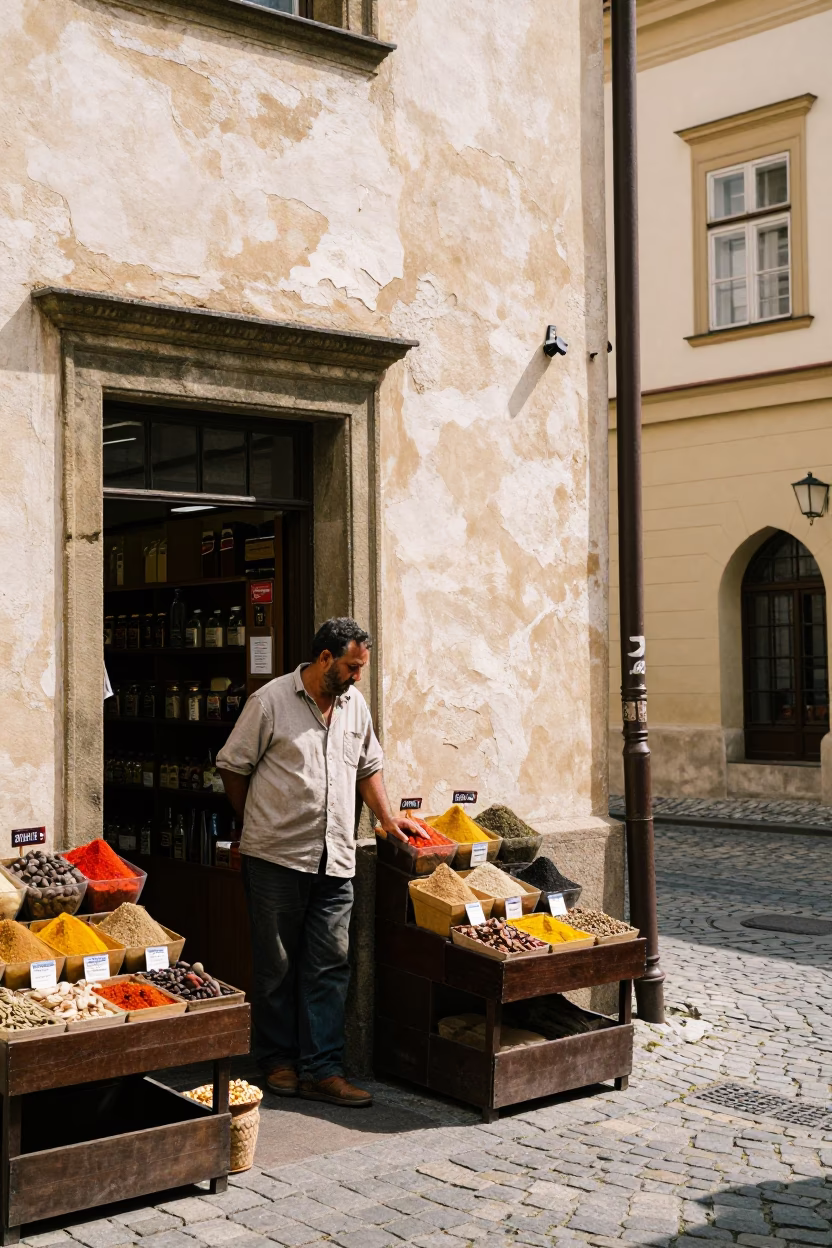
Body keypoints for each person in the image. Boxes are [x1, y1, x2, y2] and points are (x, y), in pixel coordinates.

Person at [216, 617, 424, 1107]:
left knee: (331, 965)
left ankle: (323, 1069)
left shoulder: (355, 706)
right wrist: (255, 820)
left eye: (362, 668)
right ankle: (278, 1060)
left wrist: (389, 821)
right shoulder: (270, 702)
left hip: (336, 859)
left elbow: (368, 766)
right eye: (352, 666)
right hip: (276, 858)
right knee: (277, 967)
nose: (357, 676)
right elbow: (232, 765)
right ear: (325, 658)